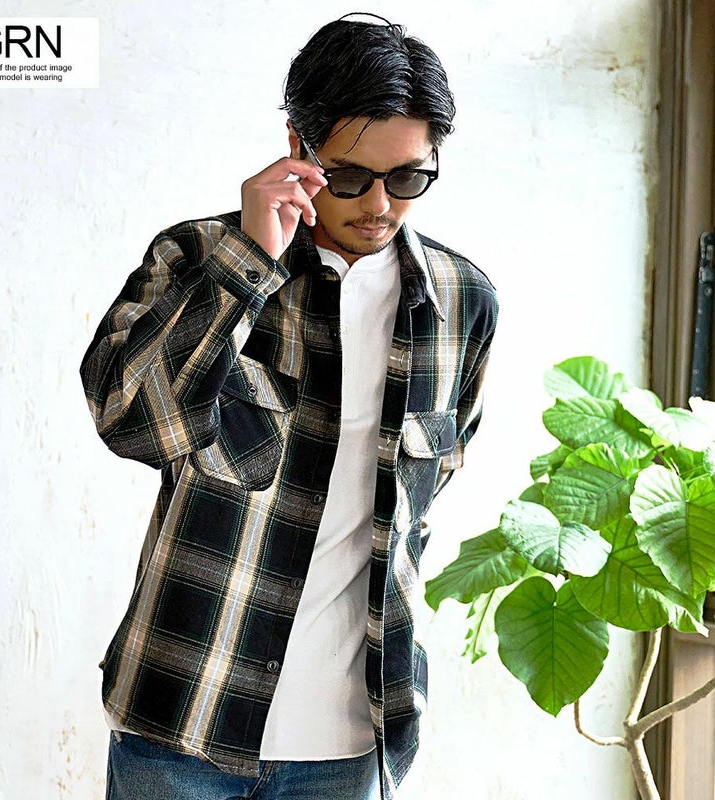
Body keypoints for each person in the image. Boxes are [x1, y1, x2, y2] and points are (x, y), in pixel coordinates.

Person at [81, 14, 497, 800]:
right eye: (350, 177)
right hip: (185, 718)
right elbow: (129, 421)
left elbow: (425, 496)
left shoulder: (463, 303)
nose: (380, 205)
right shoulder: (197, 257)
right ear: (297, 146)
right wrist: (248, 262)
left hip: (352, 742)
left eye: (407, 178)